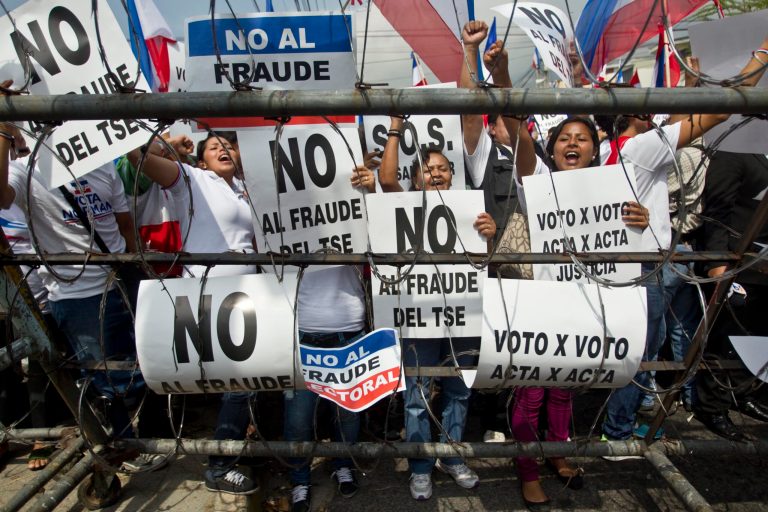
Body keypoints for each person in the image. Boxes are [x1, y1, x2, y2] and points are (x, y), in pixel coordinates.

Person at [0, 100, 167, 473]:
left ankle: (142, 438)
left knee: (145, 364)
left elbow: (123, 223)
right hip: (77, 294)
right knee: (107, 377)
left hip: (120, 279)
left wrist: (132, 265)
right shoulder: (25, 172)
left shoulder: (102, 165)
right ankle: (123, 446)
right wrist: (4, 128)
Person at [130, 131, 262, 494]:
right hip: (207, 297)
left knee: (242, 384)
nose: (222, 148)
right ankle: (218, 464)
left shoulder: (245, 189)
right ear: (200, 161)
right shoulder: (192, 180)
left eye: (227, 144)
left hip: (245, 298)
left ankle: (232, 449)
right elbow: (136, 158)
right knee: (237, 384)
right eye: (212, 146)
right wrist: (167, 147)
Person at [378, 115, 495, 501]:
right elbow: (386, 179)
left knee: (459, 389)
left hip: (462, 314)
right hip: (418, 316)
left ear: (453, 175)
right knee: (417, 394)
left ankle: (450, 455)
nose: (437, 174)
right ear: (416, 179)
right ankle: (421, 465)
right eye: (428, 170)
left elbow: (482, 261)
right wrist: (396, 125)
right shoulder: (405, 202)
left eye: (443, 168)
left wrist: (488, 236)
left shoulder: (467, 211)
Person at [694, 150, 768, 440]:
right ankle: (712, 406)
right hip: (737, 262)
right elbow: (717, 211)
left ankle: (742, 394)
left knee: (759, 335)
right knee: (725, 336)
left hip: (764, 266)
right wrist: (718, 265)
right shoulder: (736, 152)